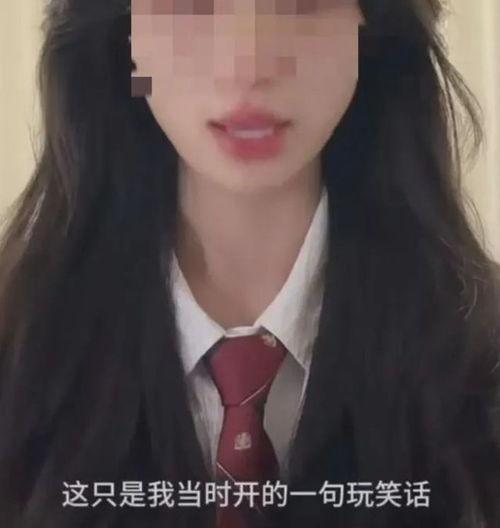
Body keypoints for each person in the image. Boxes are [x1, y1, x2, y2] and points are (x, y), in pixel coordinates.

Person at [0, 0, 499, 527]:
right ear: (125, 36)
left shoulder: (481, 365)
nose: (248, 66)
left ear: (370, 28)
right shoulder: (20, 362)